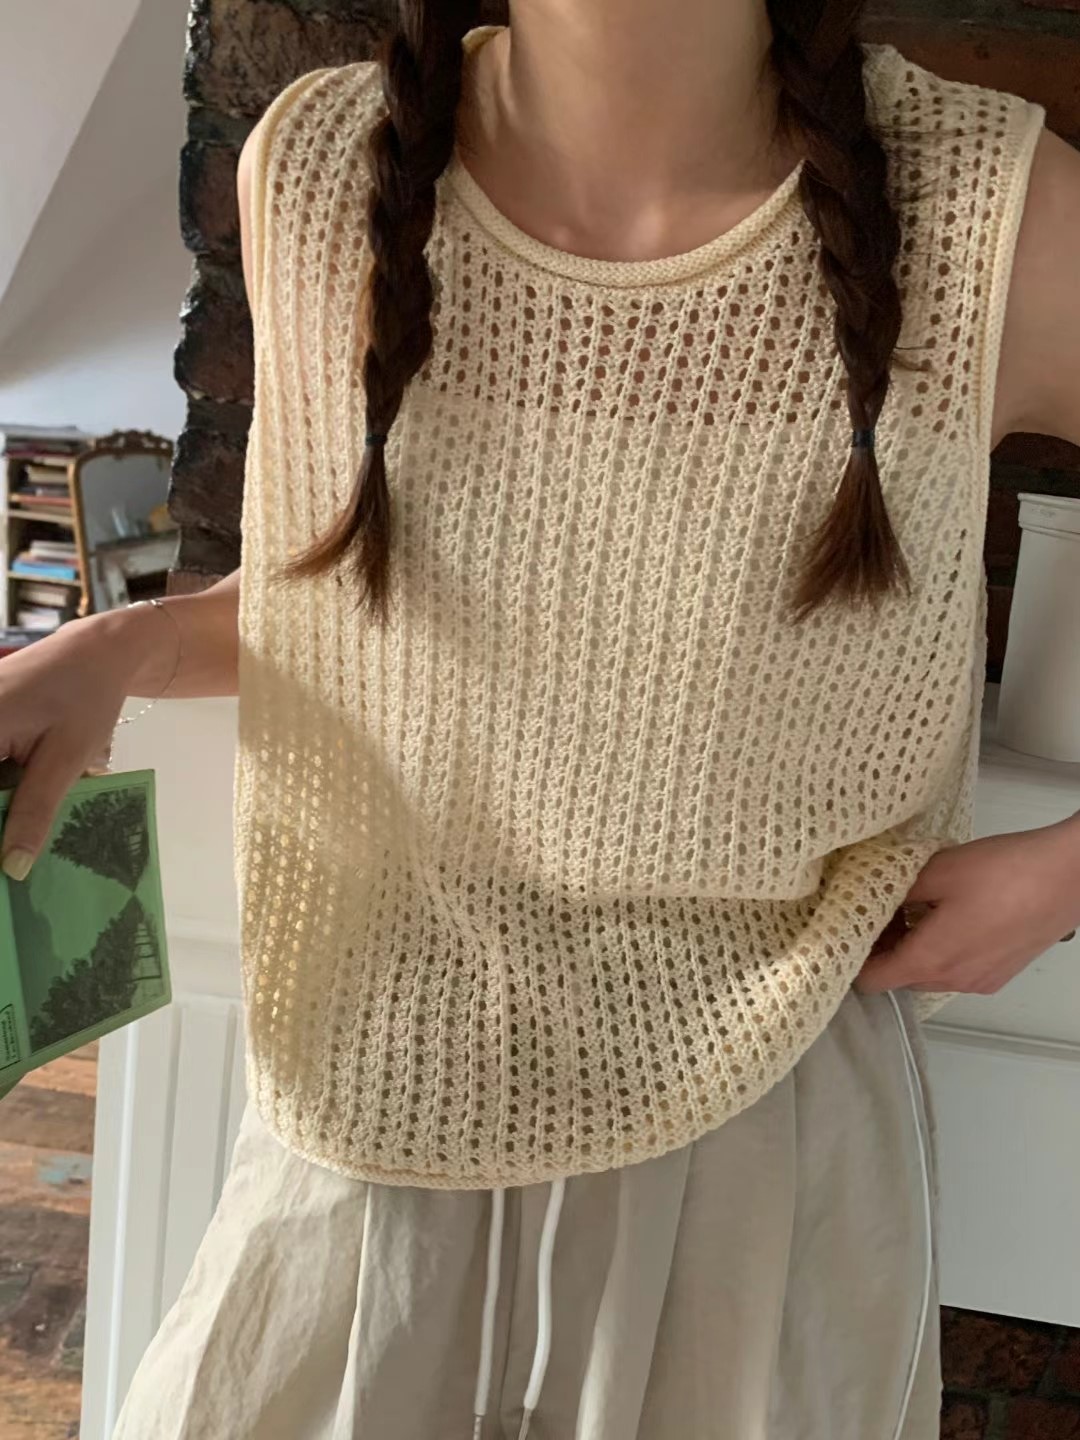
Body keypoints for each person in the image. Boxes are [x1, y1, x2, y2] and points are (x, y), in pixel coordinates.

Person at [3, 4, 1079, 1437]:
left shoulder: (997, 210)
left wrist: (1065, 876)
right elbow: (355, 606)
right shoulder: (322, 168)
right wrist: (120, 643)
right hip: (371, 1095)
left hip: (761, 1130)